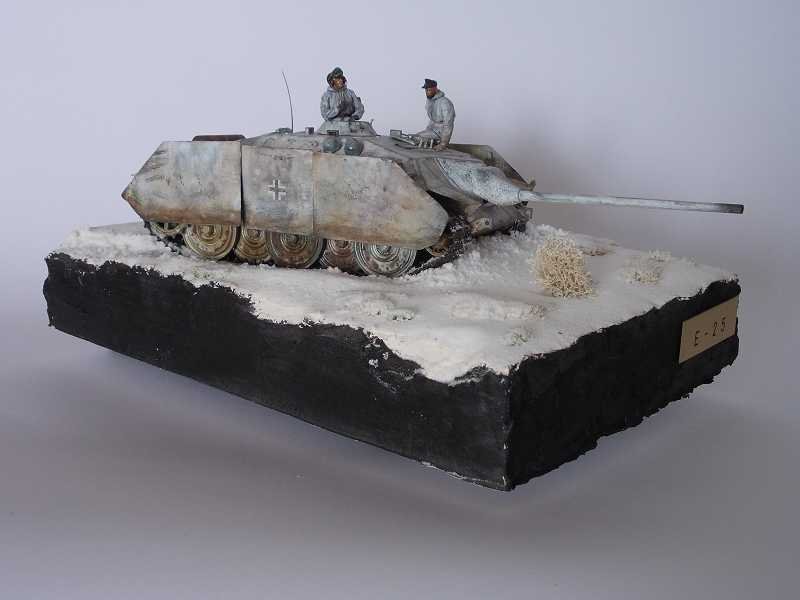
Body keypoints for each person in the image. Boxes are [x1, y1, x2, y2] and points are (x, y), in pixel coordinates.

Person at [416, 78, 455, 149]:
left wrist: (443, 143)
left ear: (435, 89)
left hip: (440, 132)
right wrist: (427, 131)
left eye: (429, 90)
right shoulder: (430, 101)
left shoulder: (444, 103)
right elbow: (432, 120)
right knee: (415, 138)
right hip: (432, 131)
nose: (427, 92)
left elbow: (448, 124)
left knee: (417, 138)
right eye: (426, 90)